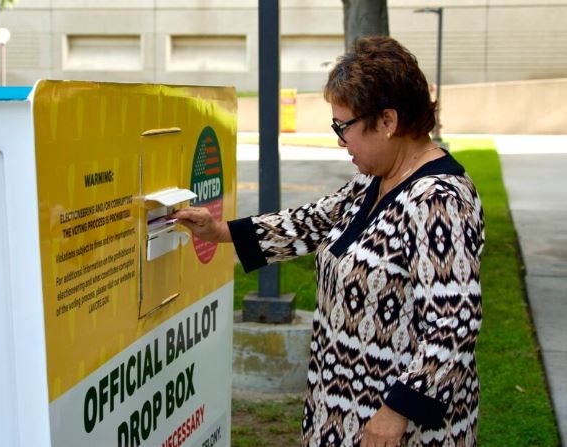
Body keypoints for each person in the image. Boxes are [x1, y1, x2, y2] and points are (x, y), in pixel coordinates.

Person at [173, 35, 485, 447]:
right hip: (341, 411)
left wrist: (396, 413)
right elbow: (310, 223)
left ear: (388, 122)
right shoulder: (373, 180)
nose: (340, 141)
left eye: (344, 127)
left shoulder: (440, 201)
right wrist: (220, 231)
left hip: (399, 429)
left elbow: (453, 325)